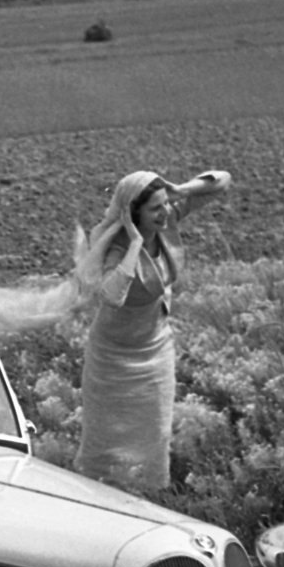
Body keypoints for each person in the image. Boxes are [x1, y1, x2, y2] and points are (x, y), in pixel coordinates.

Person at [73, 167, 233, 490]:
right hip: (113, 358)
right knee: (105, 444)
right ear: (133, 214)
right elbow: (112, 295)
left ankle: (149, 498)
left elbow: (223, 182)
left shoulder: (168, 219)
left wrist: (180, 191)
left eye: (164, 205)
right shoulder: (115, 247)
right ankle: (99, 500)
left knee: (155, 434)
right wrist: (134, 243)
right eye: (155, 208)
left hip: (155, 348)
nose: (164, 214)